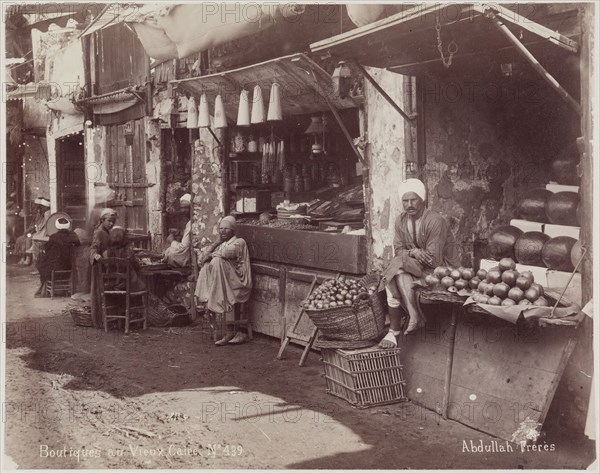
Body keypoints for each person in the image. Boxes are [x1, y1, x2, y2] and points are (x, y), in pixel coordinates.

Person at [379, 178, 460, 347]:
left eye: (413, 199)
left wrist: (407, 256)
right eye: (405, 200)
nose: (409, 204)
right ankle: (412, 318)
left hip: (442, 272)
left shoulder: (435, 221)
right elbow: (399, 248)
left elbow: (434, 259)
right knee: (397, 270)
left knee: (395, 266)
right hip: (416, 267)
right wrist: (414, 252)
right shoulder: (400, 221)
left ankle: (397, 328)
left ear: (422, 200)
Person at [195, 216, 252, 345]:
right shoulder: (223, 243)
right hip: (226, 280)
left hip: (239, 281)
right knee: (207, 265)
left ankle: (230, 331)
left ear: (233, 230)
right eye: (221, 229)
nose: (223, 231)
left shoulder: (239, 242)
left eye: (226, 229)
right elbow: (202, 259)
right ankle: (210, 296)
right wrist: (216, 243)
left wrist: (211, 254)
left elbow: (226, 254)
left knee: (216, 260)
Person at [34, 217, 80, 297]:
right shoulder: (74, 236)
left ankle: (44, 289)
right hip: (69, 267)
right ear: (68, 225)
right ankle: (63, 288)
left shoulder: (53, 237)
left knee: (41, 264)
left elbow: (47, 251)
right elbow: (78, 245)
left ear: (57, 226)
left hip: (56, 268)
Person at [89, 208, 118, 328]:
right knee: (98, 292)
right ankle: (99, 320)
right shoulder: (99, 232)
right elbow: (93, 248)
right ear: (102, 220)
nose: (111, 223)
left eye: (113, 221)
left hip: (108, 267)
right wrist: (96, 255)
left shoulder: (108, 231)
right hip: (99, 268)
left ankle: (110, 318)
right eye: (109, 221)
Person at [163, 193, 192, 268]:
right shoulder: (189, 222)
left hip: (189, 255)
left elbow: (183, 247)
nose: (183, 211)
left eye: (186, 208)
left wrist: (172, 241)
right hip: (188, 252)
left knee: (171, 253)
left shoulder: (190, 223)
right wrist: (179, 232)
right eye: (182, 208)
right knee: (169, 251)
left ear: (191, 207)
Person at [28, 197, 52, 267]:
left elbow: (45, 225)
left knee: (35, 241)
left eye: (42, 207)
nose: (41, 208)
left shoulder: (47, 213)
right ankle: (35, 263)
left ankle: (37, 264)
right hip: (44, 232)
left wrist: (37, 229)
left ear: (45, 207)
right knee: (33, 239)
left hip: (46, 234)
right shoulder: (45, 213)